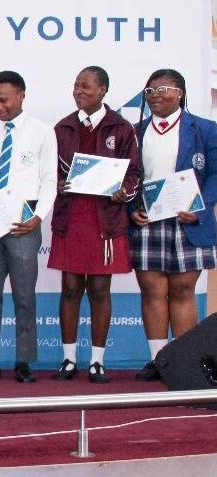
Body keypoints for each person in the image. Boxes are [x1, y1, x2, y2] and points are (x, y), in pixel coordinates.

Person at [49, 66, 142, 384]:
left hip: (106, 219)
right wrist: (57, 184)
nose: (78, 91)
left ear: (103, 89)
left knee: (100, 289)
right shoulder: (62, 128)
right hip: (71, 218)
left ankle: (97, 362)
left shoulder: (122, 127)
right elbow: (47, 173)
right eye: (75, 86)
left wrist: (124, 193)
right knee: (70, 289)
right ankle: (68, 359)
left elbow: (134, 174)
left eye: (85, 86)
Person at [0, 71, 57, 384]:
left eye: (2, 100)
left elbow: (48, 180)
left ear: (21, 95)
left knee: (24, 295)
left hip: (23, 221)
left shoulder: (42, 133)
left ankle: (24, 360)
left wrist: (39, 216)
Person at [130, 69, 217, 381]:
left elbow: (216, 174)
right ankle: (158, 361)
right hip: (149, 222)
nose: (155, 96)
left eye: (163, 89)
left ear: (179, 92)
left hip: (189, 221)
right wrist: (133, 208)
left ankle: (183, 361)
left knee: (182, 289)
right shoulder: (136, 131)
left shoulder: (205, 129)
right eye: (150, 90)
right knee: (151, 289)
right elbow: (128, 179)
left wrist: (200, 208)